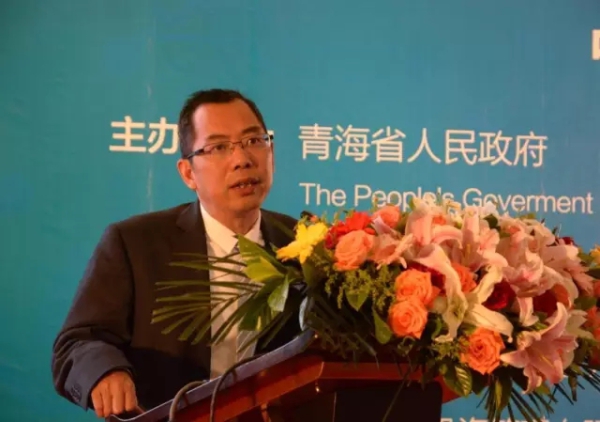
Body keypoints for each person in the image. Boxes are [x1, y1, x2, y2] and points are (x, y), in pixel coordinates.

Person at [51, 89, 300, 418]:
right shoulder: (135, 244)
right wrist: (104, 371)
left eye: (254, 141)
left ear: (271, 151)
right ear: (188, 173)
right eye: (219, 147)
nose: (242, 159)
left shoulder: (305, 245)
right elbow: (76, 343)